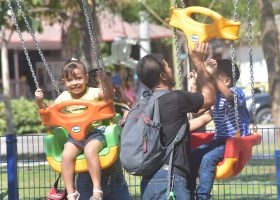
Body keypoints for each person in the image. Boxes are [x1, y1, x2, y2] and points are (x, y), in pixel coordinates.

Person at [137, 42, 217, 200]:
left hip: (148, 183)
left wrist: (207, 117)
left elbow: (180, 129)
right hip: (172, 181)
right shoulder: (175, 98)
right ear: (162, 75)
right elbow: (210, 98)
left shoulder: (144, 103)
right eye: (167, 67)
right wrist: (198, 61)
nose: (171, 69)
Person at [35, 58, 114, 200]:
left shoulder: (94, 92)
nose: (75, 83)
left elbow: (109, 96)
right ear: (64, 82)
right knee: (66, 156)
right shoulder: (64, 97)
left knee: (90, 151)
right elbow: (48, 112)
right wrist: (39, 102)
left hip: (94, 133)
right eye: (70, 80)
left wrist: (106, 81)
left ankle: (97, 191)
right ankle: (71, 193)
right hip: (74, 136)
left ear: (86, 78)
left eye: (78, 78)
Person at [191, 59, 251, 200]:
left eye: (213, 78)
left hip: (233, 143)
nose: (211, 81)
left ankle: (202, 197)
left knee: (207, 158)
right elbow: (196, 110)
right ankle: (187, 192)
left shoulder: (237, 92)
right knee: (191, 156)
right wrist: (194, 84)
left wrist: (214, 75)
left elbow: (229, 96)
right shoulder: (215, 97)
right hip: (218, 141)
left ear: (227, 81)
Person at [76, 68, 131, 200]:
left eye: (111, 83)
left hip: (115, 179)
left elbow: (130, 113)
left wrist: (122, 97)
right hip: (87, 180)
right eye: (106, 84)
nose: (112, 87)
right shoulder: (80, 112)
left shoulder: (116, 108)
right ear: (95, 90)